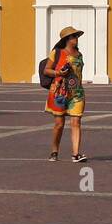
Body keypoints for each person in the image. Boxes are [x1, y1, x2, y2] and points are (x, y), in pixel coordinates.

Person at [44, 26, 87, 162]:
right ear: (67, 39)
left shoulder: (79, 54)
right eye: (74, 37)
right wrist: (58, 73)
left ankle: (76, 154)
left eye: (77, 37)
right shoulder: (57, 53)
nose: (76, 39)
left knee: (76, 122)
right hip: (60, 92)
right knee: (59, 124)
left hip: (77, 92)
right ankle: (54, 150)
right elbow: (46, 70)